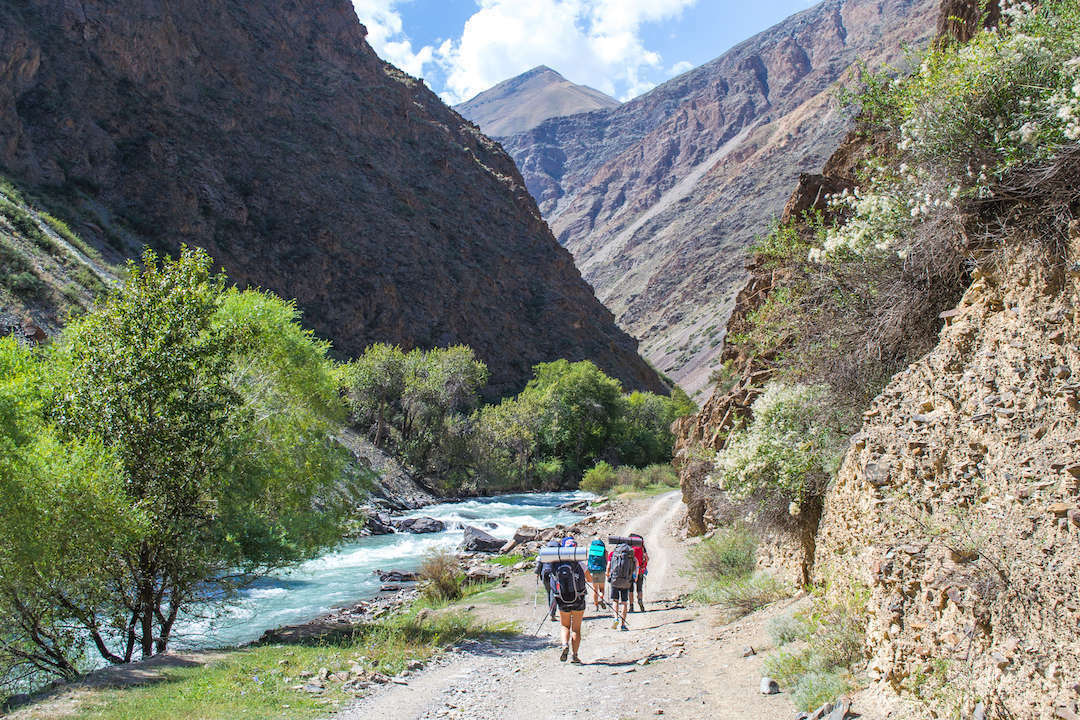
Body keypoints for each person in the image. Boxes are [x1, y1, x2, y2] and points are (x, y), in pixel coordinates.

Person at [550, 537, 587, 663]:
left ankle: (565, 644)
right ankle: (575, 655)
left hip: (562, 599)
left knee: (565, 625)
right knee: (576, 629)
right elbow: (590, 578)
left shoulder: (556, 563)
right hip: (578, 598)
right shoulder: (578, 562)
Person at [607, 541, 637, 631]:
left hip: (615, 580)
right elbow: (636, 566)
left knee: (615, 601)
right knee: (624, 602)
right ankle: (623, 624)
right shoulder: (631, 555)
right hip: (626, 581)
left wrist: (608, 575)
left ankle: (616, 618)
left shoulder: (613, 553)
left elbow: (608, 566)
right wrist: (634, 577)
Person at [535, 538, 562, 622]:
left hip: (544, 574)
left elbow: (539, 563)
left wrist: (537, 573)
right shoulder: (559, 551)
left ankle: (551, 610)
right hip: (553, 574)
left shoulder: (544, 551)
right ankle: (552, 614)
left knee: (548, 592)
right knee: (554, 593)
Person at [585, 536, 608, 612]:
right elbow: (607, 560)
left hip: (593, 571)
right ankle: (601, 598)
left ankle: (596, 606)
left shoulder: (591, 550)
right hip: (601, 570)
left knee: (595, 590)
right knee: (602, 588)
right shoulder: (604, 550)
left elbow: (588, 560)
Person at [629, 532, 649, 613]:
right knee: (639, 588)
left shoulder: (629, 546)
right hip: (640, 570)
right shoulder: (641, 546)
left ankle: (631, 606)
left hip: (630, 571)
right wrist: (644, 566)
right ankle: (640, 600)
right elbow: (646, 558)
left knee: (630, 589)